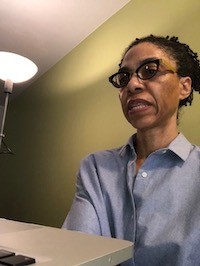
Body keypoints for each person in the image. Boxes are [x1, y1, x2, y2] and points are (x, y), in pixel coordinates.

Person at [62, 35, 200, 265]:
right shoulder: (95, 168)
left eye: (149, 70)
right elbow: (78, 252)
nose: (132, 85)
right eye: (124, 77)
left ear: (184, 87)